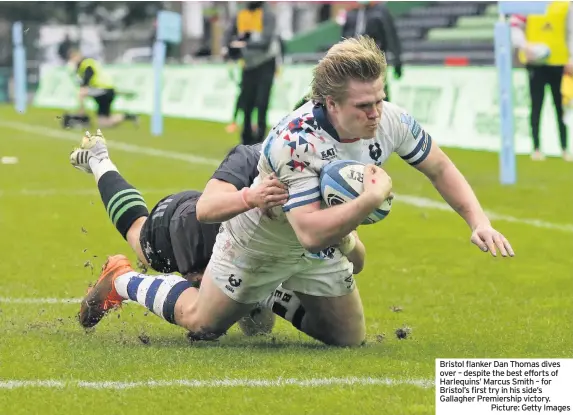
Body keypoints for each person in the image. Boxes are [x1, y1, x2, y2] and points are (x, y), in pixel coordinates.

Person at [81, 36, 514, 347]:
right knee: (202, 325)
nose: (375, 113)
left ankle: (267, 294)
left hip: (316, 242)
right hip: (260, 240)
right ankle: (123, 279)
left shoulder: (390, 119)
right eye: (364, 105)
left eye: (380, 99)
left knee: (347, 338)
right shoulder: (293, 142)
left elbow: (439, 166)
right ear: (329, 103)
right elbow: (308, 231)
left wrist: (478, 221)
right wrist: (367, 200)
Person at [69, 130, 365, 335]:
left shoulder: (329, 178)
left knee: (258, 329)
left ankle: (258, 294)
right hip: (188, 228)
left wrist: (344, 234)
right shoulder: (254, 156)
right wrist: (252, 198)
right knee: (138, 235)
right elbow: (206, 209)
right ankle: (121, 276)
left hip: (251, 253)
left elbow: (358, 261)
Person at [510, 2, 573, 161]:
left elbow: (571, 31)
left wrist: (571, 58)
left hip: (559, 62)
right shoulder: (530, 4)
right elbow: (515, 25)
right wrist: (525, 46)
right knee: (536, 106)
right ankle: (536, 148)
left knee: (560, 107)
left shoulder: (565, 4)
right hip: (535, 63)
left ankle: (564, 148)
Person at [222, 1, 281, 145]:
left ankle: (260, 138)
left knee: (262, 102)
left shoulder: (267, 14)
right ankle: (246, 139)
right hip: (248, 65)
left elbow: (265, 40)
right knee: (246, 103)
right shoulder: (240, 14)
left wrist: (244, 42)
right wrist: (227, 47)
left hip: (266, 63)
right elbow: (229, 34)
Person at [340, 0, 402, 102]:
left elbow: (391, 35)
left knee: (379, 90)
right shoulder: (351, 14)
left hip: (375, 60)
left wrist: (397, 60)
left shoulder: (381, 12)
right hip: (353, 61)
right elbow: (342, 39)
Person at [64, 48, 138, 130]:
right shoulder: (84, 65)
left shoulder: (87, 63)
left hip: (103, 89)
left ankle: (82, 116)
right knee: (104, 122)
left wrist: (83, 84)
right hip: (106, 91)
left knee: (81, 93)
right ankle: (128, 116)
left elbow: (88, 77)